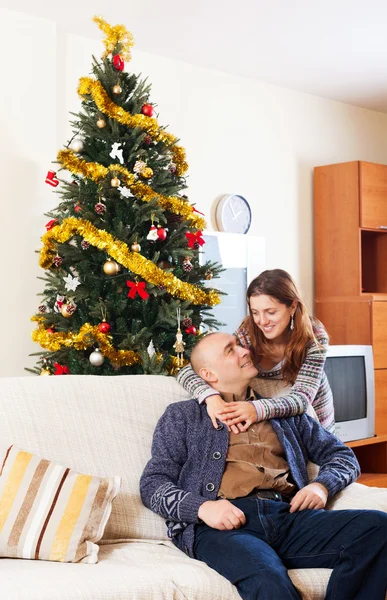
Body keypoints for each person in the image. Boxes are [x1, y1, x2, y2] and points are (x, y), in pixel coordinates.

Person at [140, 332, 387, 600]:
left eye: (240, 344)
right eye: (230, 350)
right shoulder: (182, 416)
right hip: (222, 527)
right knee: (267, 578)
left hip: (288, 516)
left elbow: (342, 456)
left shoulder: (284, 413)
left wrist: (321, 486)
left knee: (378, 529)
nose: (244, 351)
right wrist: (202, 508)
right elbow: (153, 483)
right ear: (208, 374)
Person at [177, 269, 335, 434]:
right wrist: (211, 397)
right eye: (255, 313)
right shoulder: (248, 333)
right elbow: (190, 370)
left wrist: (256, 408)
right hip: (277, 419)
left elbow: (301, 400)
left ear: (293, 306)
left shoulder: (313, 336)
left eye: (271, 312)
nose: (262, 321)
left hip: (316, 411)